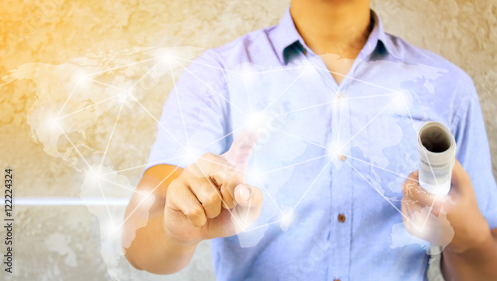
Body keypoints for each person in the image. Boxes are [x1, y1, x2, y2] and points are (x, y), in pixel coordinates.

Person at [122, 0, 497, 280]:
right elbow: (138, 244)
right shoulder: (218, 76)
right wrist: (176, 230)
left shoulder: (447, 89)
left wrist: (470, 240)